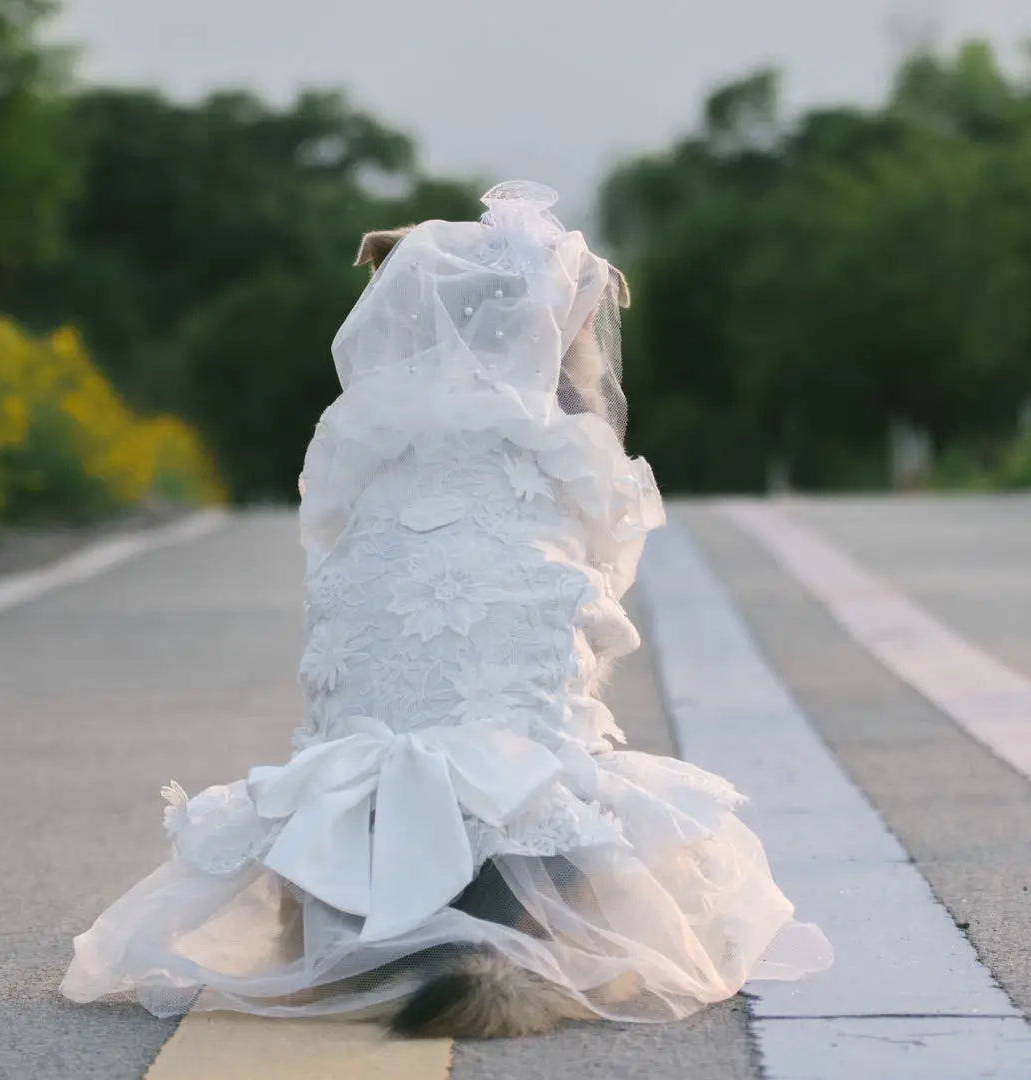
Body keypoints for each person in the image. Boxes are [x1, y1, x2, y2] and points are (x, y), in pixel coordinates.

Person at [61, 181, 831, 1037]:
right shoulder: (558, 465)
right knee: (551, 763)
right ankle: (525, 939)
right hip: (524, 885)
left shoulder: (373, 464)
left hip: (356, 892)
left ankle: (362, 941)